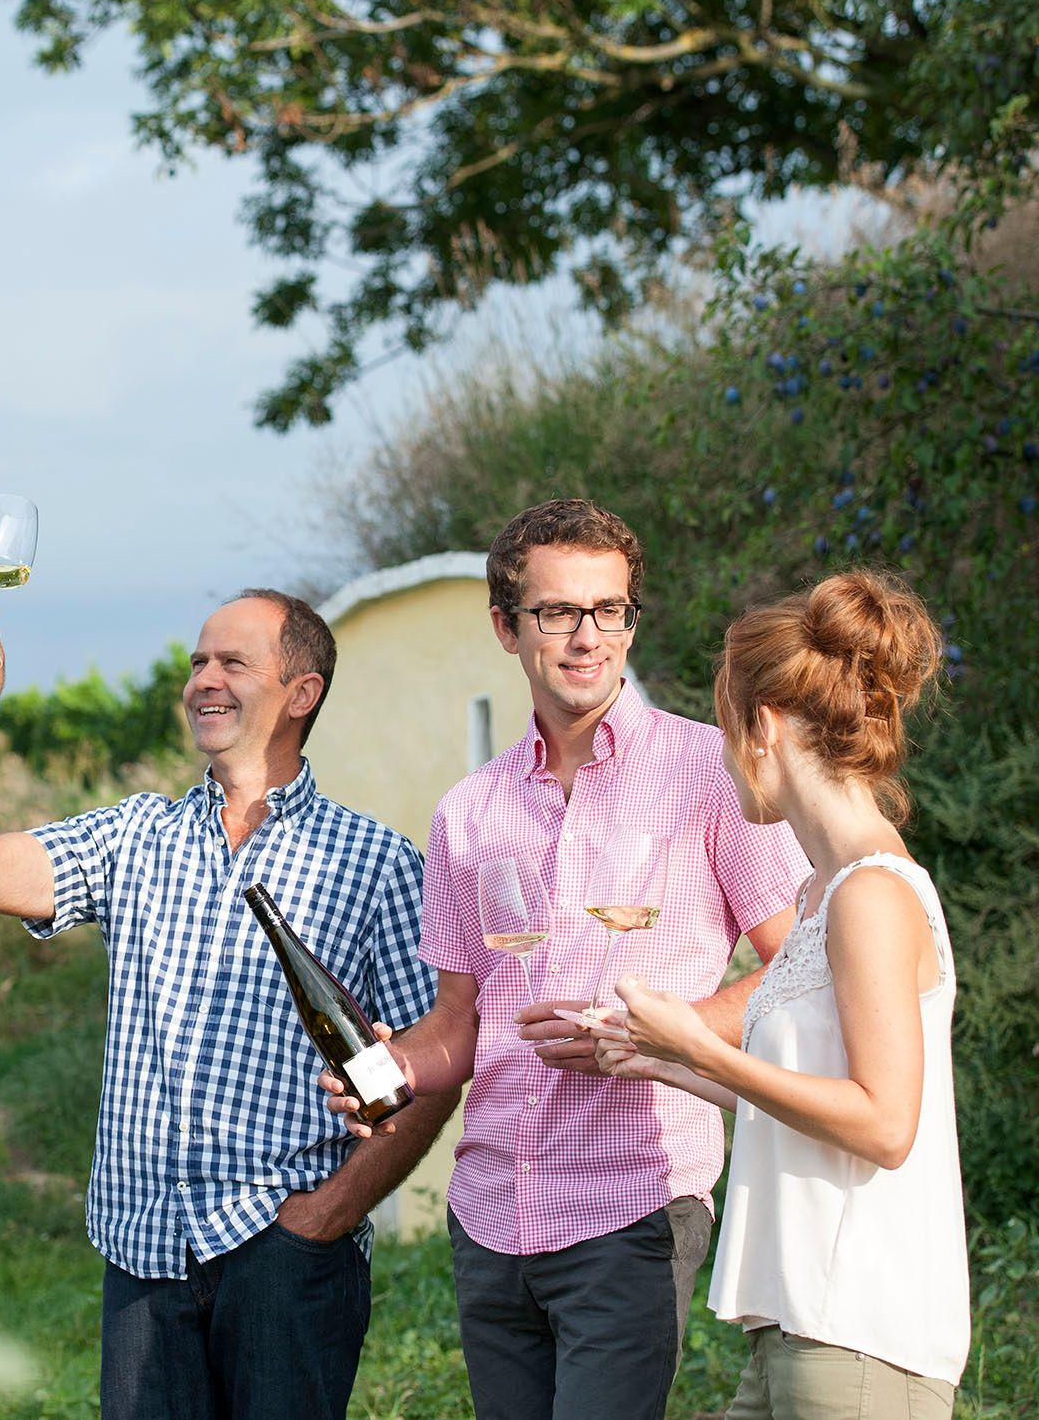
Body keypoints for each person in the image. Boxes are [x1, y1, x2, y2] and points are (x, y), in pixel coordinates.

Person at [0, 587, 456, 1420]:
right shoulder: (133, 837)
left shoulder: (377, 862)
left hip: (287, 1255)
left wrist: (328, 1213)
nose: (203, 678)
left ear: (300, 693)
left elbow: (431, 1063)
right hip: (143, 1253)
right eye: (198, 661)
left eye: (232, 661)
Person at [327, 499, 809, 1420]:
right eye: (558, 612)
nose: (589, 636)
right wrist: (392, 1064)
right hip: (491, 1213)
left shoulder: (710, 771)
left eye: (610, 609)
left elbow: (802, 969)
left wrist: (654, 1031)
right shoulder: (467, 811)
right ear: (508, 627)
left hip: (634, 1200)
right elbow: (458, 1025)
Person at [595, 569, 966, 1418]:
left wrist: (693, 1038)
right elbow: (807, 1093)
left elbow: (882, 1123)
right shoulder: (819, 894)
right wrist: (660, 1060)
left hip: (863, 1331)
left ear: (760, 727)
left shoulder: (871, 894)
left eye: (727, 734)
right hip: (798, 1330)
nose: (727, 763)